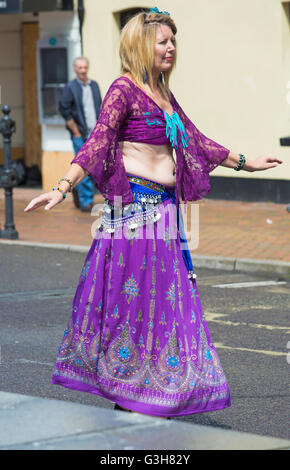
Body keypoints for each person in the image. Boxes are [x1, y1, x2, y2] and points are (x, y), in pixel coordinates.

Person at [24, 8, 282, 418]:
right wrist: (61, 187)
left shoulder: (162, 93)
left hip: (163, 213)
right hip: (134, 215)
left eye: (173, 41)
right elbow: (96, 143)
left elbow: (195, 140)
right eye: (163, 41)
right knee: (136, 308)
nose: (171, 48)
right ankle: (128, 396)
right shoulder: (123, 89)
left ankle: (144, 392)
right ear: (142, 45)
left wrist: (246, 161)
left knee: (164, 308)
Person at [59, 56, 102, 212]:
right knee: (83, 165)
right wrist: (75, 131)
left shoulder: (94, 85)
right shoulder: (70, 87)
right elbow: (64, 109)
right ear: (75, 69)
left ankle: (82, 193)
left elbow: (100, 106)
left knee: (96, 167)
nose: (83, 70)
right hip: (80, 135)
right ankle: (86, 202)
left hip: (95, 135)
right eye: (80, 68)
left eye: (85, 67)